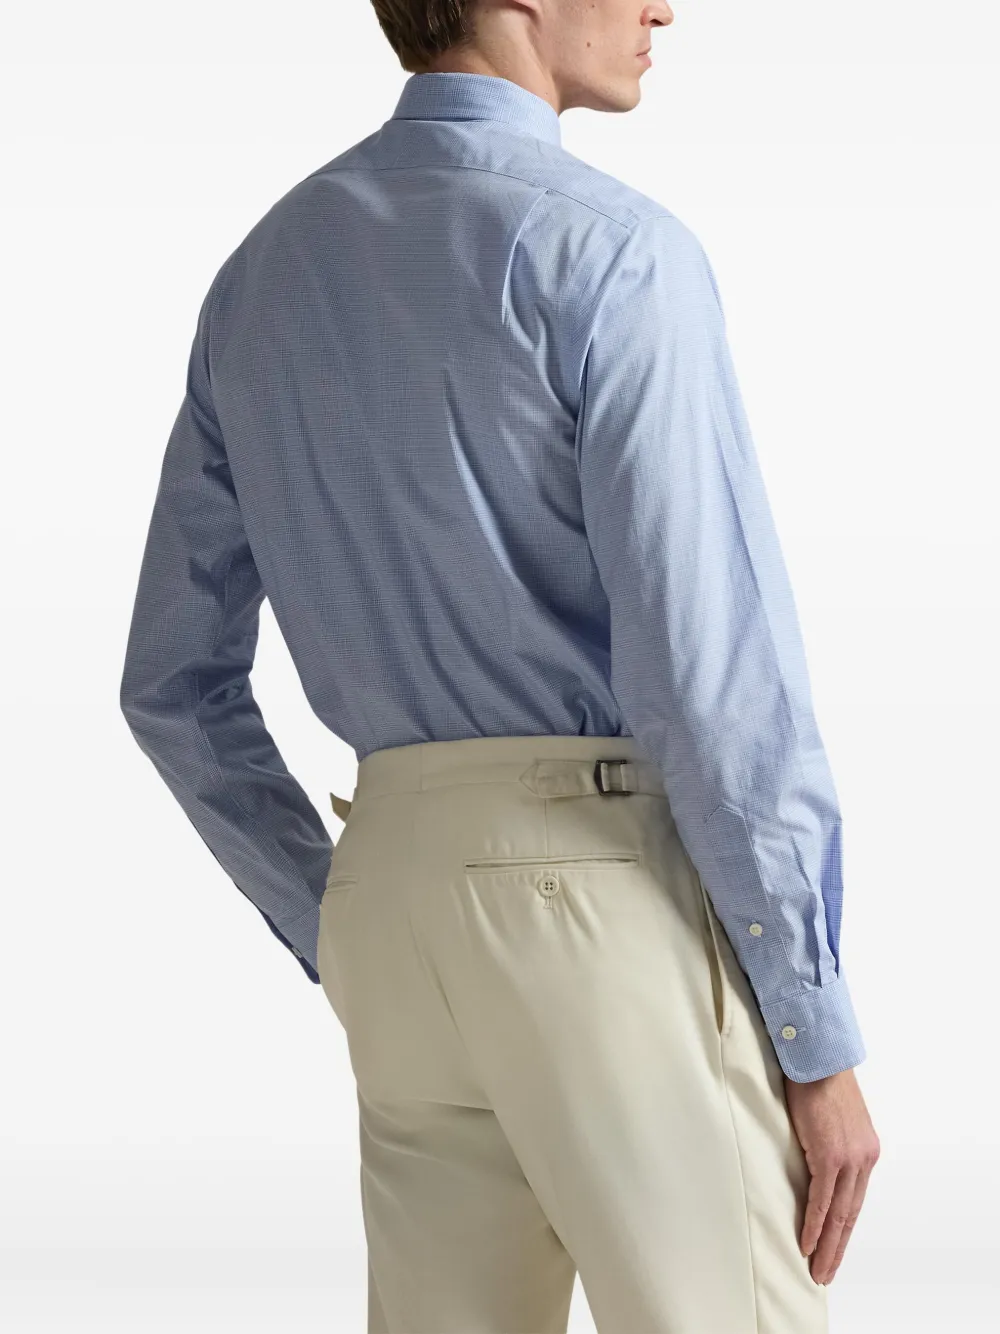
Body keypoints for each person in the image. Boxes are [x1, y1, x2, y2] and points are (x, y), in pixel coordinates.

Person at [119, 1, 880, 1329]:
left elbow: (172, 682)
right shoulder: (615, 253)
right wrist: (814, 1032)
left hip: (391, 908)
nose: (662, 7)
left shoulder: (263, 275)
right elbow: (710, 678)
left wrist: (330, 910)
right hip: (597, 902)